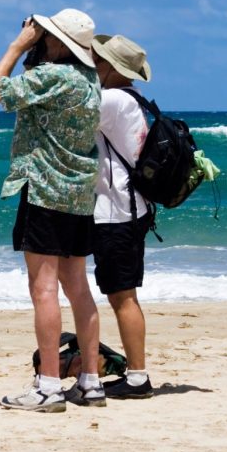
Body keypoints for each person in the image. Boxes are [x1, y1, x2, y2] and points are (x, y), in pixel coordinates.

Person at [0, 9, 103, 412]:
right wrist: (36, 52)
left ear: (60, 42)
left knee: (44, 288)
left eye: (46, 34)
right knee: (78, 288)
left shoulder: (52, 76)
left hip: (45, 190)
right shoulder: (89, 79)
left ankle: (49, 385)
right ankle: (90, 382)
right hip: (79, 195)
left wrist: (17, 46)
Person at [92, 34, 156, 399]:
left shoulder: (113, 99)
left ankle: (137, 377)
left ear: (112, 68)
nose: (93, 65)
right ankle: (135, 373)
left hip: (118, 210)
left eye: (98, 60)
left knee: (122, 296)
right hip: (132, 207)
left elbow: (72, 115)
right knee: (122, 293)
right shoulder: (132, 97)